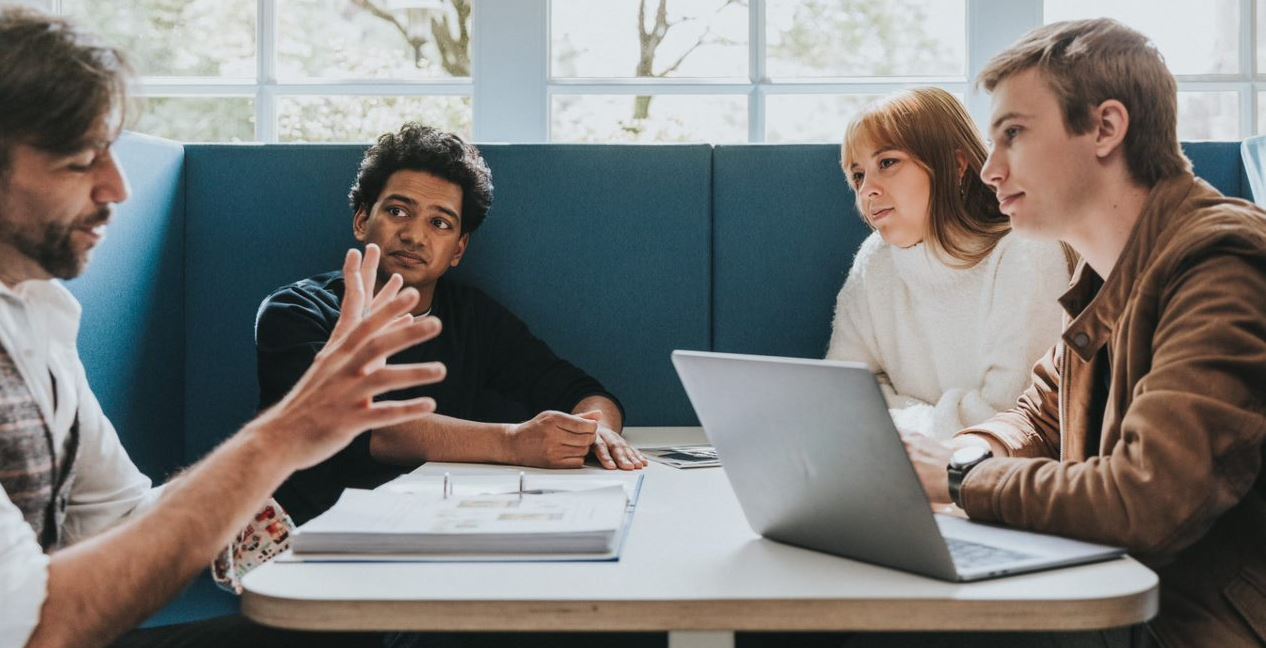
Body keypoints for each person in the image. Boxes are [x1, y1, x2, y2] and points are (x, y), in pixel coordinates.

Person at [0, 8, 447, 647]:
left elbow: (122, 523)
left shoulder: (36, 310)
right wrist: (288, 432)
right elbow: (39, 625)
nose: (118, 187)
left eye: (113, 152)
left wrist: (331, 529)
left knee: (375, 630)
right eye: (79, 161)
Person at [900, 18, 1266, 646]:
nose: (990, 171)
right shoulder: (1107, 273)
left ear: (1105, 128)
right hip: (1126, 597)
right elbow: (1037, 418)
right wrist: (953, 455)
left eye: (1013, 134)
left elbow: (1144, 498)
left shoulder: (1220, 265)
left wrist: (961, 480)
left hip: (1192, 624)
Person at [256, 122, 647, 525]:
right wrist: (514, 442)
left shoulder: (473, 317)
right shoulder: (295, 312)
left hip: (439, 527)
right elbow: (357, 427)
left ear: (458, 249)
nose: (414, 235)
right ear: (361, 221)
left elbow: (579, 390)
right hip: (312, 536)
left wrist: (592, 433)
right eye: (397, 211)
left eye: (439, 223)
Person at [827, 87, 1071, 439]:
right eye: (858, 175)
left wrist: (898, 420)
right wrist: (925, 425)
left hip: (989, 477)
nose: (867, 191)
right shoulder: (874, 261)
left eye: (887, 163)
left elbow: (1011, 418)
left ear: (957, 165)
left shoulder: (1025, 252)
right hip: (897, 467)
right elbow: (842, 396)